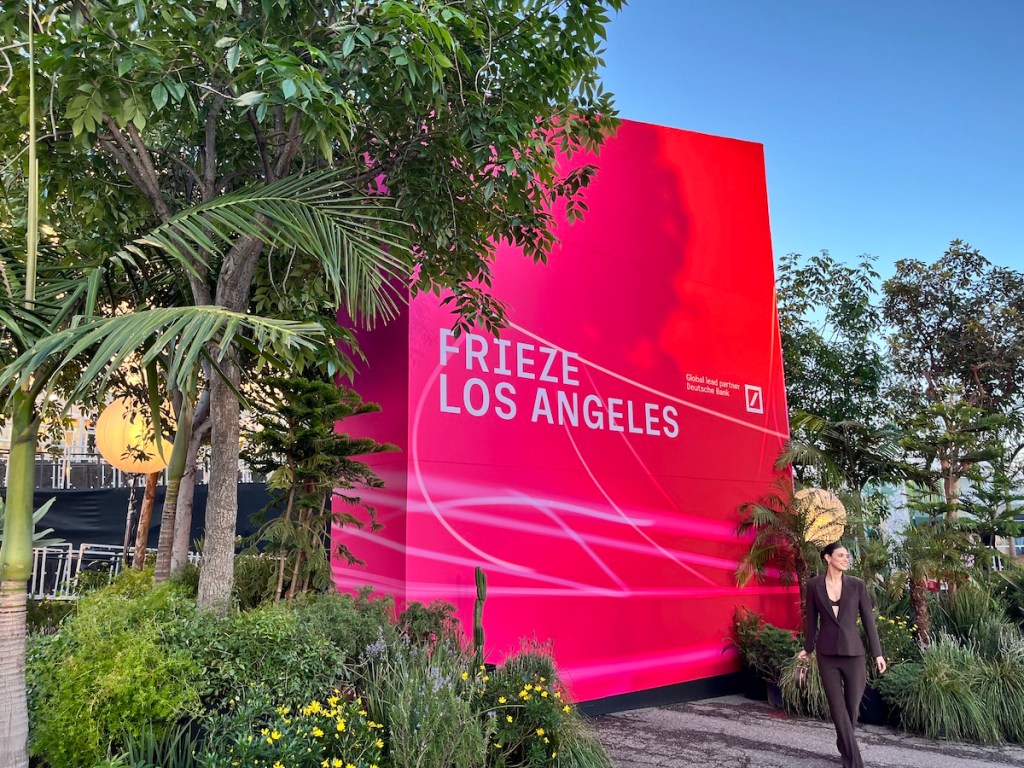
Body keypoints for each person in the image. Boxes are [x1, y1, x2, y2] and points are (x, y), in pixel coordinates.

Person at [797, 542, 886, 768]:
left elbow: (868, 620)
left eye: (847, 555)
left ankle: (844, 743)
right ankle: (855, 763)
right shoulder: (814, 585)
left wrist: (877, 654)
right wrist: (808, 649)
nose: (846, 559)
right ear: (827, 558)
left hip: (854, 654)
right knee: (838, 711)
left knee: (852, 709)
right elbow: (811, 620)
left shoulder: (857, 585)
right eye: (841, 555)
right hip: (827, 656)